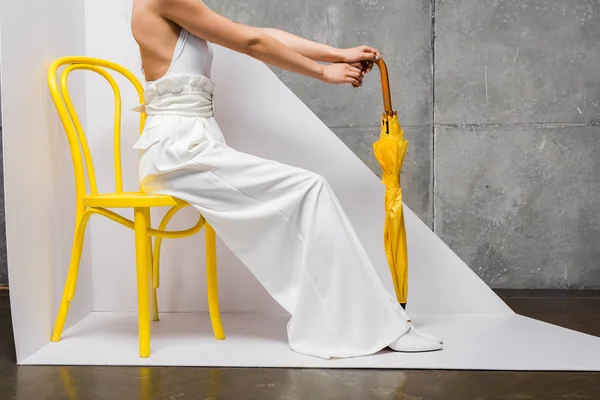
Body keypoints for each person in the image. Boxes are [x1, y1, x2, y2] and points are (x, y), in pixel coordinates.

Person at [130, 0, 443, 359]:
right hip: (179, 153)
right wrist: (323, 73)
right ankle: (372, 325)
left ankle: (367, 321)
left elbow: (259, 35)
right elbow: (250, 43)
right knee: (310, 189)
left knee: (309, 193)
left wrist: (335, 53)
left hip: (189, 148)